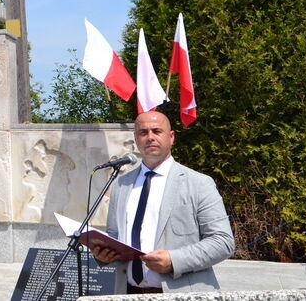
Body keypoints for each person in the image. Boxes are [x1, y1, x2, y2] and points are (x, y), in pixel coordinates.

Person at [90, 111, 234, 293]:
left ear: (171, 137)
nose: (150, 137)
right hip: (127, 293)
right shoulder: (121, 183)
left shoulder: (199, 183)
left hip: (181, 293)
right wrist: (103, 255)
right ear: (136, 139)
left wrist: (174, 260)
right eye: (143, 133)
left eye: (157, 131)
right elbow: (115, 235)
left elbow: (223, 242)